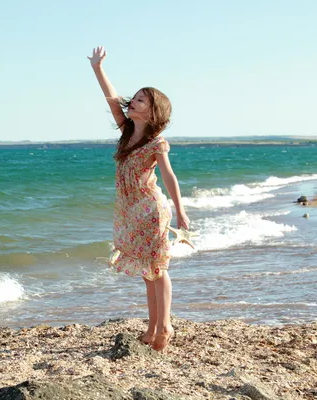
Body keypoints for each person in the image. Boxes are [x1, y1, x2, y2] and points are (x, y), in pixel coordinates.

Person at [88, 46, 190, 351]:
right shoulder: (126, 131)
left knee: (158, 268)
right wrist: (97, 68)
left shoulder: (156, 142)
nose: (133, 101)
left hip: (151, 210)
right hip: (131, 211)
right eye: (134, 98)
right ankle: (152, 328)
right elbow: (110, 97)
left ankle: (165, 326)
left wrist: (181, 213)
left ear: (153, 110)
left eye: (141, 100)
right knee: (149, 273)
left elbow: (169, 177)